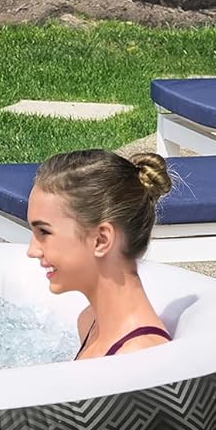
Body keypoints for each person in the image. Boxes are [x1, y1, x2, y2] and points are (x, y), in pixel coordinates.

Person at [25, 149, 175, 360]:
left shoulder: (138, 357)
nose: (32, 251)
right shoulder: (89, 321)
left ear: (101, 240)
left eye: (44, 232)